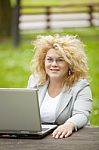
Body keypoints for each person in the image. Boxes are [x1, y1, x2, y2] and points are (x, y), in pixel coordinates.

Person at [27, 34, 92, 139]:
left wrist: (69, 125)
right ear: (43, 62)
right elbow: (27, 110)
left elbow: (82, 114)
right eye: (49, 59)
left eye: (60, 60)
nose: (53, 64)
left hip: (69, 138)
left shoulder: (80, 86)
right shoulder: (35, 81)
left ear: (70, 64)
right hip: (39, 137)